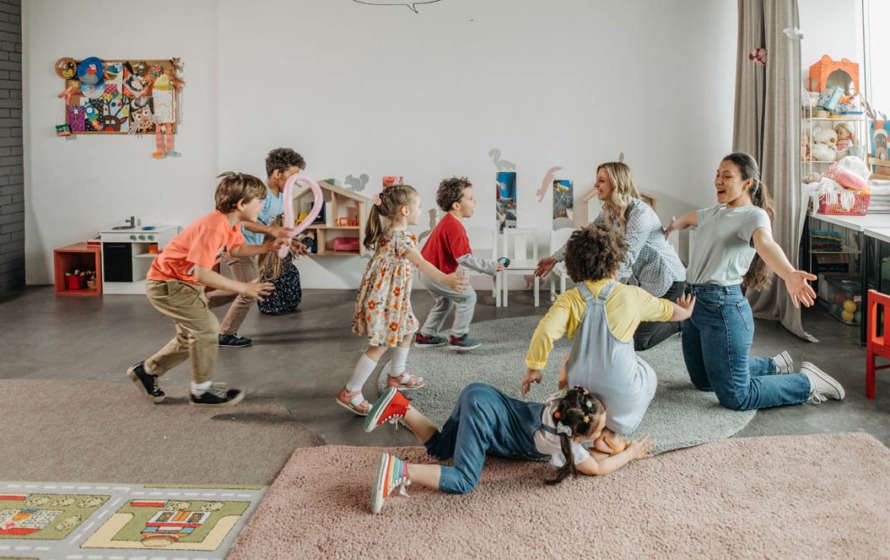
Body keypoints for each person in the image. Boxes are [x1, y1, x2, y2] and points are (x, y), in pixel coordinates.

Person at [664, 152, 844, 410]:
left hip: (721, 309)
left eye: (727, 176)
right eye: (717, 174)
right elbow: (691, 218)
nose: (718, 181)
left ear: (747, 183)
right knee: (703, 381)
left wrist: (789, 273)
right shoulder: (715, 212)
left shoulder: (753, 216)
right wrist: (675, 225)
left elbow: (765, 243)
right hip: (693, 304)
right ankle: (774, 365)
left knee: (737, 397)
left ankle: (807, 382)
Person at [522, 224, 694, 447]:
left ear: (575, 266)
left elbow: (545, 332)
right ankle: (611, 431)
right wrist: (687, 312)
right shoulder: (631, 295)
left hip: (581, 396)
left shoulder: (569, 299)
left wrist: (534, 368)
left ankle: (592, 425)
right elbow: (669, 311)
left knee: (569, 360)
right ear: (616, 262)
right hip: (622, 401)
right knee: (647, 373)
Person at [363, 384, 655, 514]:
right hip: (483, 416)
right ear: (576, 438)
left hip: (479, 393)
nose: (605, 432)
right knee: (464, 480)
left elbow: (567, 369)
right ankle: (399, 470)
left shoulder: (560, 401)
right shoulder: (563, 445)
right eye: (601, 429)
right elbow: (598, 468)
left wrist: (598, 436)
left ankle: (400, 406)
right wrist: (629, 453)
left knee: (441, 449)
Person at [127, 172, 284, 407]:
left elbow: (236, 251)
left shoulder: (232, 225)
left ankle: (147, 371)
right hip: (167, 284)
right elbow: (203, 273)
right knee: (208, 330)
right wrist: (244, 287)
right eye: (259, 201)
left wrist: (269, 246)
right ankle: (201, 391)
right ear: (241, 204)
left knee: (189, 337)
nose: (262, 205)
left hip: (185, 285)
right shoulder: (213, 227)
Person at [337, 184, 468, 415]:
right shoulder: (401, 240)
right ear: (405, 211)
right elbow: (422, 264)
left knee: (408, 330)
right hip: (387, 301)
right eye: (418, 206)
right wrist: (446, 279)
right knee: (379, 345)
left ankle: (397, 374)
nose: (421, 209)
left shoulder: (393, 234)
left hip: (395, 300)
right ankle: (351, 391)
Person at [535, 162, 686, 351]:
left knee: (637, 342)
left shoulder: (640, 214)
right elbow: (585, 237)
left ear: (616, 184)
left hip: (667, 280)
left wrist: (603, 287)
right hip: (642, 279)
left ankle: (684, 322)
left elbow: (627, 255)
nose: (596, 185)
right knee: (616, 329)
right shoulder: (609, 211)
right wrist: (554, 258)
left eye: (601, 181)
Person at [218, 148, 306, 348]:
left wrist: (291, 243)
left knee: (239, 290)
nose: (294, 182)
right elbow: (243, 221)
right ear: (277, 173)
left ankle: (196, 303)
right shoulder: (260, 195)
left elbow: (273, 228)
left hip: (254, 249)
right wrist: (272, 230)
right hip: (238, 246)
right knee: (248, 291)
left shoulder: (280, 199)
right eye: (291, 176)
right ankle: (225, 334)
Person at [414, 177, 504, 351]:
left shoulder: (449, 221)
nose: (475, 202)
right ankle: (458, 337)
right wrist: (491, 267)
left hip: (429, 272)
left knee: (445, 302)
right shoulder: (454, 225)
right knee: (468, 296)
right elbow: (464, 258)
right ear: (456, 205)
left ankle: (425, 336)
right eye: (470, 198)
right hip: (435, 273)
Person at [255, 216, 302, 316]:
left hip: (265, 307)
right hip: (288, 305)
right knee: (291, 271)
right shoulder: (286, 245)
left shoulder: (263, 246)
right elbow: (304, 244)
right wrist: (311, 235)